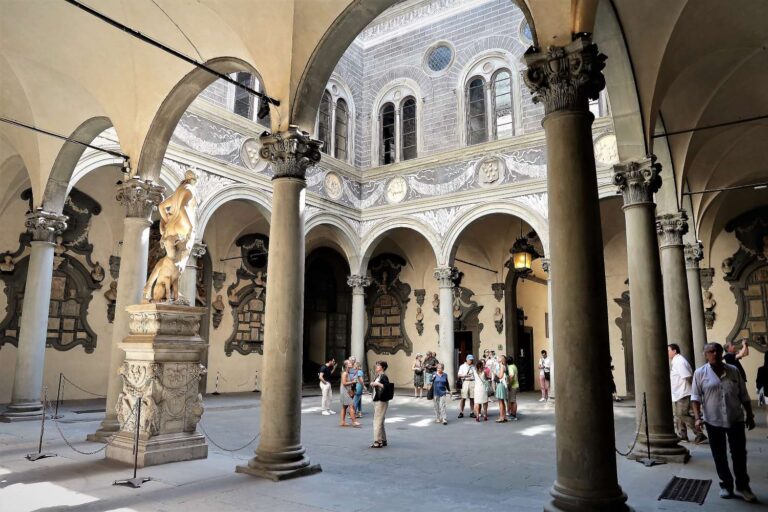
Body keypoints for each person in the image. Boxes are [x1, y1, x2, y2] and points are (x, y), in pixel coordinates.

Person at [691, 343, 757, 502]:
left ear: (721, 352)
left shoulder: (733, 371)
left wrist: (750, 415)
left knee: (739, 454)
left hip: (735, 418)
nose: (714, 353)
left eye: (717, 351)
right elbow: (695, 397)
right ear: (705, 354)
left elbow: (744, 395)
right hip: (713, 420)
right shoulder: (700, 373)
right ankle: (726, 485)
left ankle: (743, 486)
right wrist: (697, 417)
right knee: (719, 455)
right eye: (710, 351)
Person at [668, 343, 706, 443]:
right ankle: (683, 435)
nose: (667, 353)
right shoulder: (676, 361)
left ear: (674, 351)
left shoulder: (679, 361)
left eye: (668, 350)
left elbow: (688, 376)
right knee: (678, 416)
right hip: (678, 393)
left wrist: (694, 390)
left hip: (683, 393)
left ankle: (699, 434)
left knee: (682, 415)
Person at [370, 361, 391, 448]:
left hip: (381, 400)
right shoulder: (379, 376)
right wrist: (373, 384)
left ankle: (377, 441)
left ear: (382, 367)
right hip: (378, 399)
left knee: (377, 421)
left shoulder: (383, 376)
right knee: (380, 420)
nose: (376, 366)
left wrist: (377, 383)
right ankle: (383, 439)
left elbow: (386, 386)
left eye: (378, 365)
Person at [340, 360, 359, 427]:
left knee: (344, 407)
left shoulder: (346, 372)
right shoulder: (345, 373)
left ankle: (342, 422)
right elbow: (344, 383)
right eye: (349, 363)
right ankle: (354, 422)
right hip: (345, 391)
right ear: (346, 365)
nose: (351, 363)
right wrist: (353, 382)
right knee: (351, 406)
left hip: (345, 391)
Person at [494, 355, 508, 422]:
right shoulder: (501, 366)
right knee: (502, 401)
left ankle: (501, 417)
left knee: (500, 402)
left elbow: (500, 376)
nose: (497, 358)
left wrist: (495, 373)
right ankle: (504, 416)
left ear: (502, 360)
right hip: (501, 384)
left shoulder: (502, 366)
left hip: (501, 384)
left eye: (499, 358)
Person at [506, 355, 519, 420]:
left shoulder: (510, 367)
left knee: (512, 401)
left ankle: (513, 415)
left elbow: (511, 376)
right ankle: (513, 414)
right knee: (513, 400)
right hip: (516, 385)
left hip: (513, 385)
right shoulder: (514, 366)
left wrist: (509, 384)